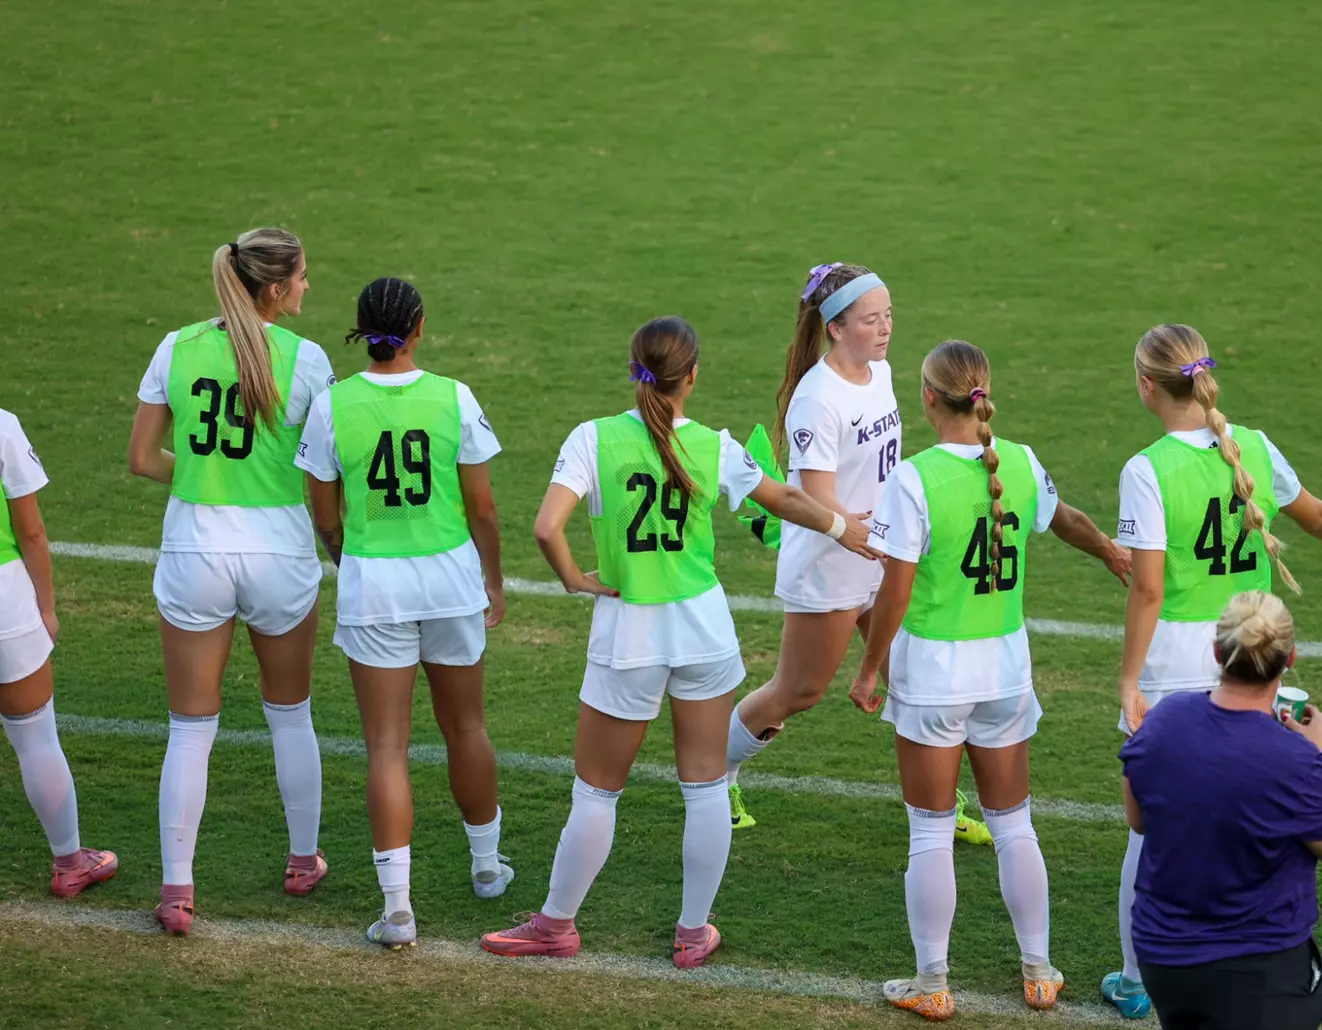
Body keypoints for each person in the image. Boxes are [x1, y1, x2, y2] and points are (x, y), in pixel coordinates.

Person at [480, 316, 877, 968]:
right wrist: (842, 527)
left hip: (628, 636)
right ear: (691, 377)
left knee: (597, 792)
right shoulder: (713, 447)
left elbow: (547, 527)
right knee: (706, 786)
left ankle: (557, 923)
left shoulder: (593, 438)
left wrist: (575, 579)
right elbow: (783, 500)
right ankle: (694, 932)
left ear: (633, 371)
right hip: (704, 634)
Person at [846, 340, 1131, 1019]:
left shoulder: (913, 480)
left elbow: (894, 591)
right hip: (1005, 671)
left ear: (927, 399)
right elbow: (1067, 521)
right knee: (1014, 826)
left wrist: (867, 668)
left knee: (929, 830)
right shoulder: (1022, 464)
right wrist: (1111, 553)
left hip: (936, 676)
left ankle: (932, 982)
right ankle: (1039, 972)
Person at [1106, 323, 1322, 1018]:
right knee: (1258, 809)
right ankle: (1250, 944)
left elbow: (1148, 590)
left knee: (1151, 825)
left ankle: (1137, 977)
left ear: (1148, 385)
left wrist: (1128, 680)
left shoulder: (1147, 469)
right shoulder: (1256, 449)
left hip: (1180, 664)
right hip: (1258, 655)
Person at [724, 262, 990, 843]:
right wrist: (857, 530)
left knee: (913, 679)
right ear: (837, 328)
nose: (886, 328)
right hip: (830, 564)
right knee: (799, 691)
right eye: (871, 320)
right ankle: (713, 775)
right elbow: (816, 499)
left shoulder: (881, 371)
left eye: (888, 315)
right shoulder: (817, 400)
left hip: (879, 553)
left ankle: (941, 806)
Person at [296, 277, 511, 949]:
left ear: (362, 332)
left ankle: (397, 910)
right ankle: (486, 870)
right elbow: (482, 507)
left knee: (386, 745)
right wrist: (493, 579)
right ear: (418, 328)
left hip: (374, 588)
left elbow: (323, 512)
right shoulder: (455, 396)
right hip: (450, 581)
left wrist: (347, 557)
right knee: (466, 725)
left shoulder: (332, 405)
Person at [127, 228, 330, 935]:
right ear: (274, 289)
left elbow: (141, 456)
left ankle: (178, 888)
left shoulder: (176, 347)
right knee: (290, 714)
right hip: (280, 553)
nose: (308, 287)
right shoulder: (307, 361)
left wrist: (195, 478)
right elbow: (324, 468)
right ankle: (304, 859)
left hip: (194, 551)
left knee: (190, 729)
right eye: (302, 278)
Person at [1122, 591, 1322, 1030]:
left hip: (1165, 959)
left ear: (1217, 652)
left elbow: (1138, 818)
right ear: (1290, 660)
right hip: (1250, 972)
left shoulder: (1164, 720)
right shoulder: (1296, 761)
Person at [0, 409, 118, 897]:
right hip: (5, 606)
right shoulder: (2, 426)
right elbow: (31, 533)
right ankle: (70, 862)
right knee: (36, 741)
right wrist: (46, 607)